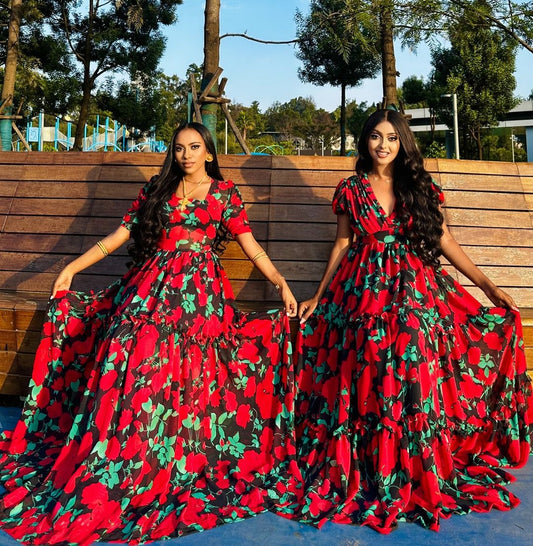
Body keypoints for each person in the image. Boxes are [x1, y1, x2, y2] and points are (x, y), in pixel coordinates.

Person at [0, 122, 301, 545]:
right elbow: (119, 237)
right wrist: (71, 268)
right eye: (179, 148)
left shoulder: (224, 194)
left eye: (195, 147)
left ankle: (175, 450)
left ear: (209, 153)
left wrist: (280, 283)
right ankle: (125, 445)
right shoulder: (157, 190)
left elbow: (252, 246)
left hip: (199, 293)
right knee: (128, 342)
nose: (186, 155)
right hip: (149, 286)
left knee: (184, 356)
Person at [290, 108, 533, 533]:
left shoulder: (418, 186)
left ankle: (414, 461)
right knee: (369, 352)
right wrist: (319, 293)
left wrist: (488, 286)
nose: (383, 145)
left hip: (412, 288)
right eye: (375, 137)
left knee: (409, 342)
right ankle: (372, 463)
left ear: (403, 143)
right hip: (360, 290)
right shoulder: (350, 188)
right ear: (364, 141)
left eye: (391, 138)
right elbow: (343, 244)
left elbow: (444, 240)